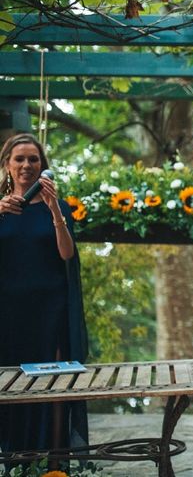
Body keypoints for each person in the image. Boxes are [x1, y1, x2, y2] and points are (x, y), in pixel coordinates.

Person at [0, 133, 88, 454]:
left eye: (33, 159)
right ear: (7, 165)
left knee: (51, 386)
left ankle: (51, 464)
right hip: (7, 311)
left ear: (43, 166)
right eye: (19, 159)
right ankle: (9, 460)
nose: (27, 165)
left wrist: (54, 211)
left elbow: (67, 255)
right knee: (7, 384)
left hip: (49, 311)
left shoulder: (60, 207)